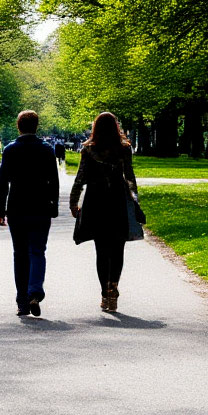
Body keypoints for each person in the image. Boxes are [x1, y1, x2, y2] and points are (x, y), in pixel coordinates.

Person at [70, 111, 141, 312]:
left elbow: (80, 178)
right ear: (116, 127)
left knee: (101, 250)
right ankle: (113, 287)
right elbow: (130, 178)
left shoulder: (89, 150)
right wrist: (134, 201)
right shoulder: (124, 149)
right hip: (117, 200)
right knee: (118, 247)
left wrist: (73, 203)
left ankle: (104, 293)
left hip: (95, 201)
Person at [0, 110, 60, 317]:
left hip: (17, 207)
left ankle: (22, 300)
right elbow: (54, 181)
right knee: (38, 251)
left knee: (20, 254)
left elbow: (3, 182)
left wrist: (0, 210)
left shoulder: (10, 150)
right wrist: (54, 205)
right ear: (36, 126)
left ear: (18, 126)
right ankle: (35, 291)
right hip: (40, 207)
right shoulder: (46, 150)